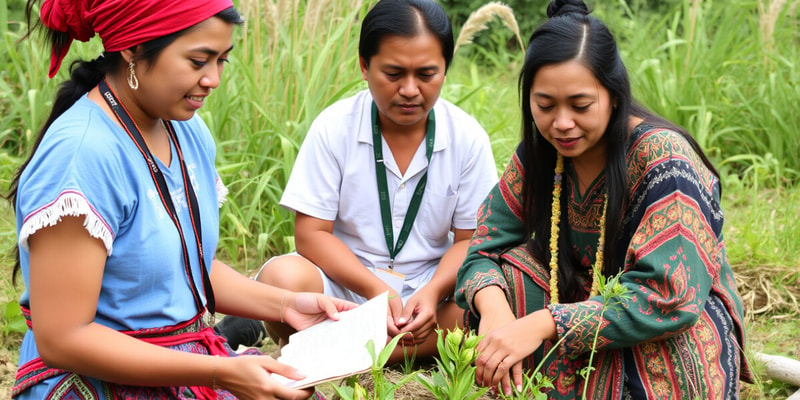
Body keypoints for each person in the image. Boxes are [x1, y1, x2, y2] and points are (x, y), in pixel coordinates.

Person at [8, 1, 356, 399]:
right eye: (198, 61)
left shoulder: (185, 132)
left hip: (179, 365)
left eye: (222, 60)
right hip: (94, 384)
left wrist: (286, 304)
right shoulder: (82, 156)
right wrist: (220, 373)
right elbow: (63, 340)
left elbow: (183, 267)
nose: (213, 79)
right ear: (133, 49)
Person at [454, 0, 753, 398]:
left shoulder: (663, 157)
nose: (561, 123)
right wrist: (495, 311)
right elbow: (482, 247)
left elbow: (667, 296)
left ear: (613, 96)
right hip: (575, 305)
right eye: (544, 105)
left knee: (665, 357)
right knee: (505, 275)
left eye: (580, 106)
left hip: (663, 325)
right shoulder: (540, 154)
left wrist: (543, 323)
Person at [217, 0, 497, 363]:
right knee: (281, 279)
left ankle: (334, 349)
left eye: (427, 74)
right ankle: (391, 348)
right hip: (344, 286)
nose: (410, 89)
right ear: (364, 66)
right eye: (393, 73)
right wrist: (376, 291)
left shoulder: (467, 137)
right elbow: (311, 234)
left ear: (445, 69)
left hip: (429, 292)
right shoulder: (335, 127)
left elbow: (469, 240)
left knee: (490, 299)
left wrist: (431, 292)